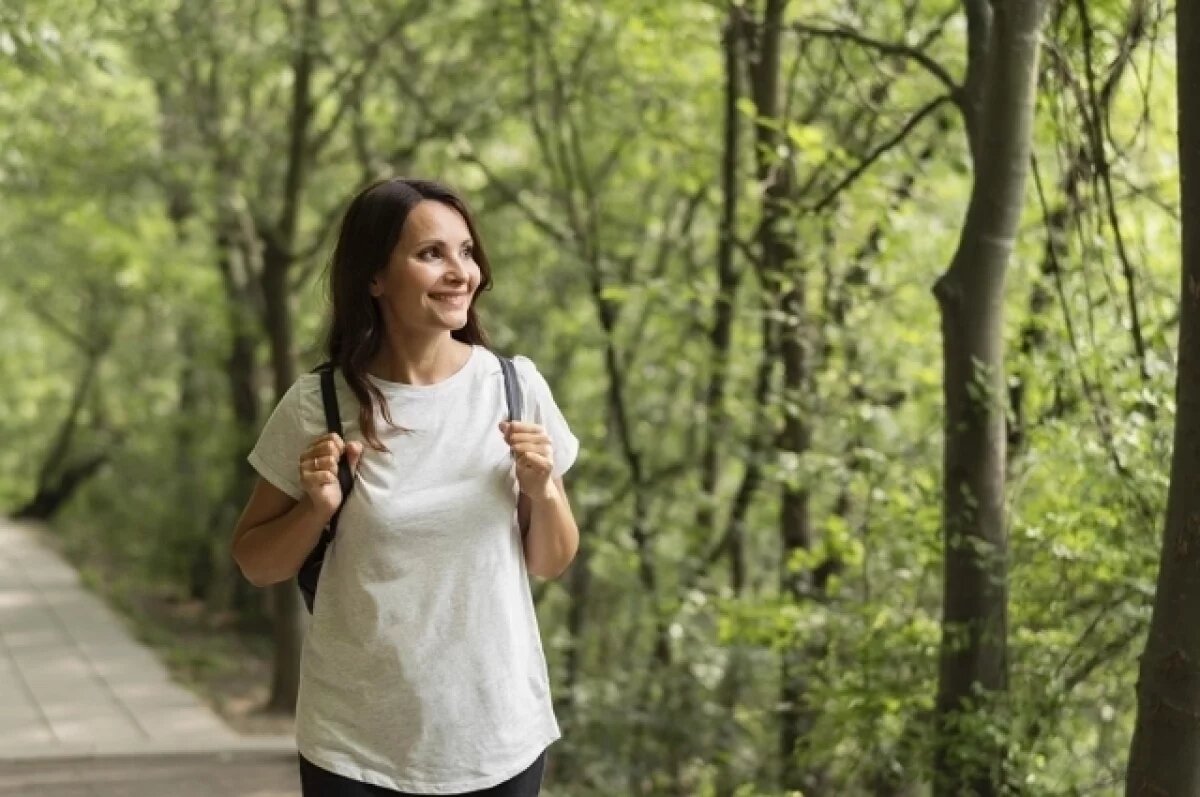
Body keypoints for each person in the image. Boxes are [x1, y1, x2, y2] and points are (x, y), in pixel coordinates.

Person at [230, 177, 581, 796]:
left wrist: (544, 488)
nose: (460, 272)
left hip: (496, 738)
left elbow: (551, 561)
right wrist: (316, 510)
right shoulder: (318, 404)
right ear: (374, 277)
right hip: (355, 745)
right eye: (432, 254)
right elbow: (256, 563)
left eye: (467, 252)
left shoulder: (514, 387)